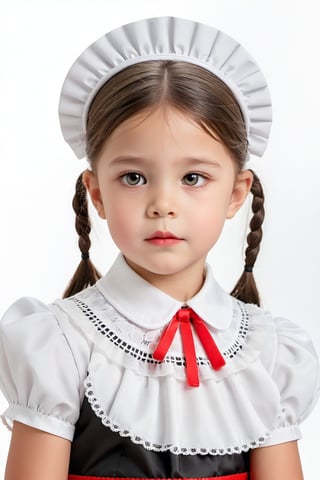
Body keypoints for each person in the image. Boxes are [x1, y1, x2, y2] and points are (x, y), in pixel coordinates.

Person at [0, 16, 319, 480]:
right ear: (97, 194)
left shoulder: (268, 353)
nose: (162, 204)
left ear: (236, 192)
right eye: (134, 177)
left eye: (193, 178)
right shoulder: (61, 345)